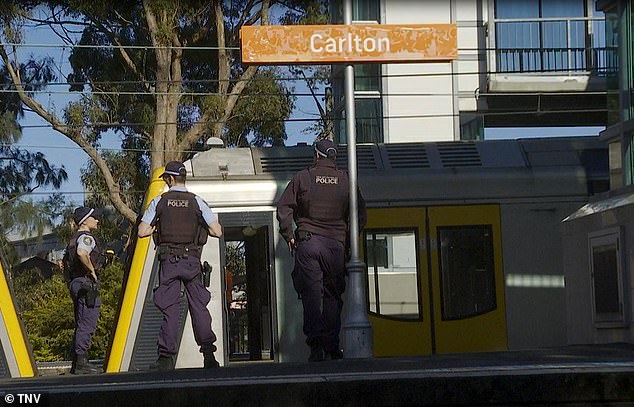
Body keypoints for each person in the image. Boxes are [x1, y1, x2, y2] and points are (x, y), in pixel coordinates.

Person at [276, 139, 367, 362]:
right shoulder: (347, 180)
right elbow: (361, 215)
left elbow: (284, 208)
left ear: (316, 155)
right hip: (335, 246)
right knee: (333, 297)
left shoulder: (303, 177)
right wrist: (347, 240)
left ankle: (316, 346)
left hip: (308, 244)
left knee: (311, 296)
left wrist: (289, 235)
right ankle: (332, 347)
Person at [138, 160, 223, 371]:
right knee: (199, 307)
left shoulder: (160, 201)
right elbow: (217, 231)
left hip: (169, 262)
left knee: (170, 309)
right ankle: (209, 356)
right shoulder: (197, 202)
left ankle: (166, 359)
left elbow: (141, 231)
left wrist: (157, 229)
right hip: (192, 262)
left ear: (169, 178)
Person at [64, 206, 103, 375]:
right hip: (86, 284)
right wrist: (92, 271)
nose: (97, 220)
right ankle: (82, 363)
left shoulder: (72, 239)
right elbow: (82, 253)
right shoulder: (87, 238)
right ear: (85, 221)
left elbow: (63, 263)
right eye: (94, 217)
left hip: (75, 282)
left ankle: (77, 361)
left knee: (81, 321)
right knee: (88, 321)